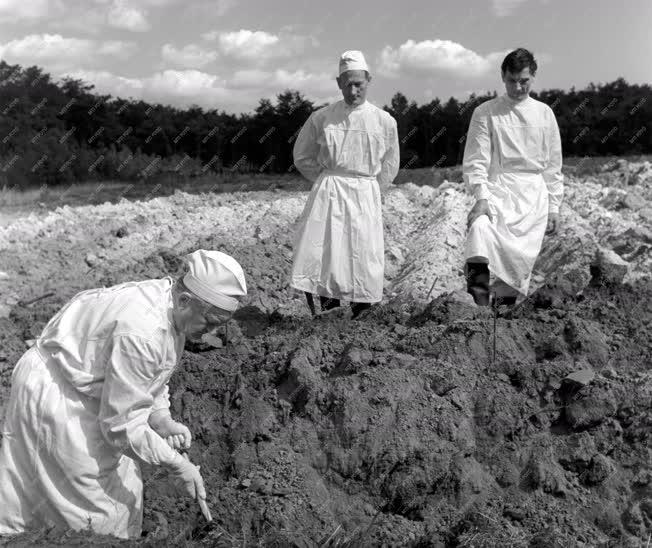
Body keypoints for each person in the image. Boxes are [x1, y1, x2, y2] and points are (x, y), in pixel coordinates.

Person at [0, 250, 247, 539]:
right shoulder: (143, 332)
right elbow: (120, 427)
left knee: (113, 496)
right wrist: (177, 465)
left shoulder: (172, 307)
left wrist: (161, 418)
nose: (210, 333)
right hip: (58, 395)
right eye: (209, 323)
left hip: (88, 391)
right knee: (94, 516)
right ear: (185, 301)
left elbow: (147, 376)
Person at [291, 50, 400, 318]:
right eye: (347, 84)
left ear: (368, 81)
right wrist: (327, 179)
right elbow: (302, 156)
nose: (353, 91)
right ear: (339, 83)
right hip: (330, 193)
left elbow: (390, 164)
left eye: (358, 84)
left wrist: (374, 189)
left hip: (365, 193)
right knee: (330, 252)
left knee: (364, 253)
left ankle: (363, 313)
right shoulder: (322, 117)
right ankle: (330, 313)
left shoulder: (384, 121)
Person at [463, 47, 564, 306]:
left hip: (533, 196)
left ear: (534, 77)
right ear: (502, 76)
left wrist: (554, 207)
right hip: (499, 189)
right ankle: (479, 302)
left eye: (524, 81)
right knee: (479, 230)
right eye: (512, 81)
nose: (518, 87)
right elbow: (476, 160)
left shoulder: (544, 114)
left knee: (518, 263)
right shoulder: (486, 112)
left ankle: (502, 315)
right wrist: (481, 198)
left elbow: (553, 165)